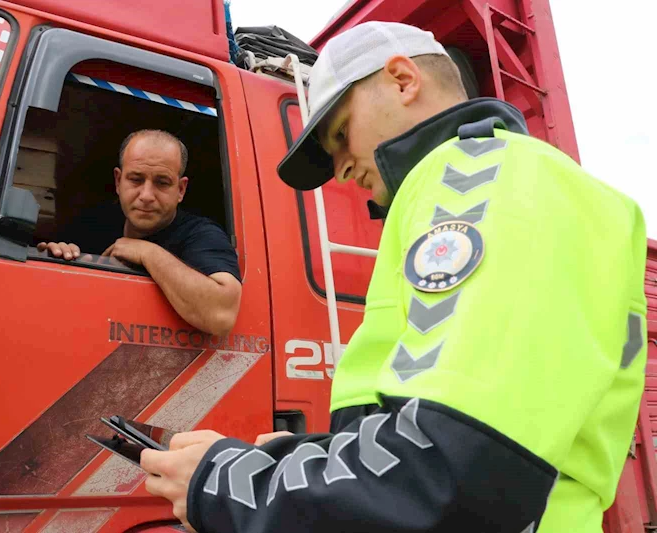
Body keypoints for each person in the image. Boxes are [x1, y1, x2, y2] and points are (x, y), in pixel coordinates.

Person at [139, 21, 648, 533]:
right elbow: (454, 439)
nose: (340, 170)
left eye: (340, 134)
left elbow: (455, 470)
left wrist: (229, 483)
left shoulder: (482, 177)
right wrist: (297, 456)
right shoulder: (512, 185)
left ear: (403, 80)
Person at [38, 130, 241, 336]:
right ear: (118, 181)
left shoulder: (201, 234)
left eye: (162, 182)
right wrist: (59, 258)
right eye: (135, 179)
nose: (146, 195)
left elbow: (221, 315)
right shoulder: (91, 223)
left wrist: (147, 253)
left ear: (181, 190)